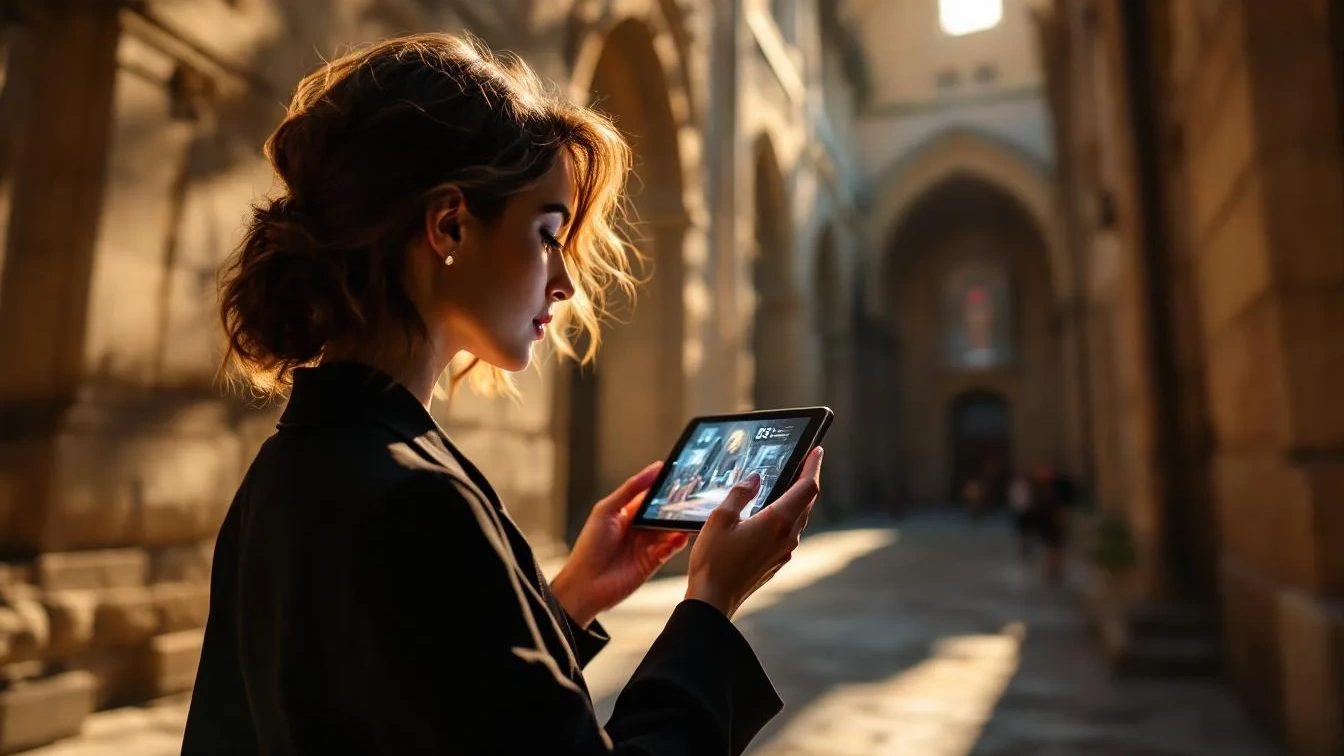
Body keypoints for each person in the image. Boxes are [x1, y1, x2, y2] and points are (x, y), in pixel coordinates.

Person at [181, 33, 824, 755]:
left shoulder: (290, 467)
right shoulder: (415, 498)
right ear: (450, 224)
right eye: (549, 234)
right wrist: (710, 604)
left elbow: (423, 701)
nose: (566, 282)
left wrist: (569, 598)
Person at [1007, 470, 1034, 561]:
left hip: (1027, 511)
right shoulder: (1015, 486)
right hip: (1018, 511)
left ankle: (1028, 547)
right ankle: (1021, 547)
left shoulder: (1028, 486)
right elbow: (1013, 498)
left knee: (1028, 531)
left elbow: (1029, 498)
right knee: (1020, 531)